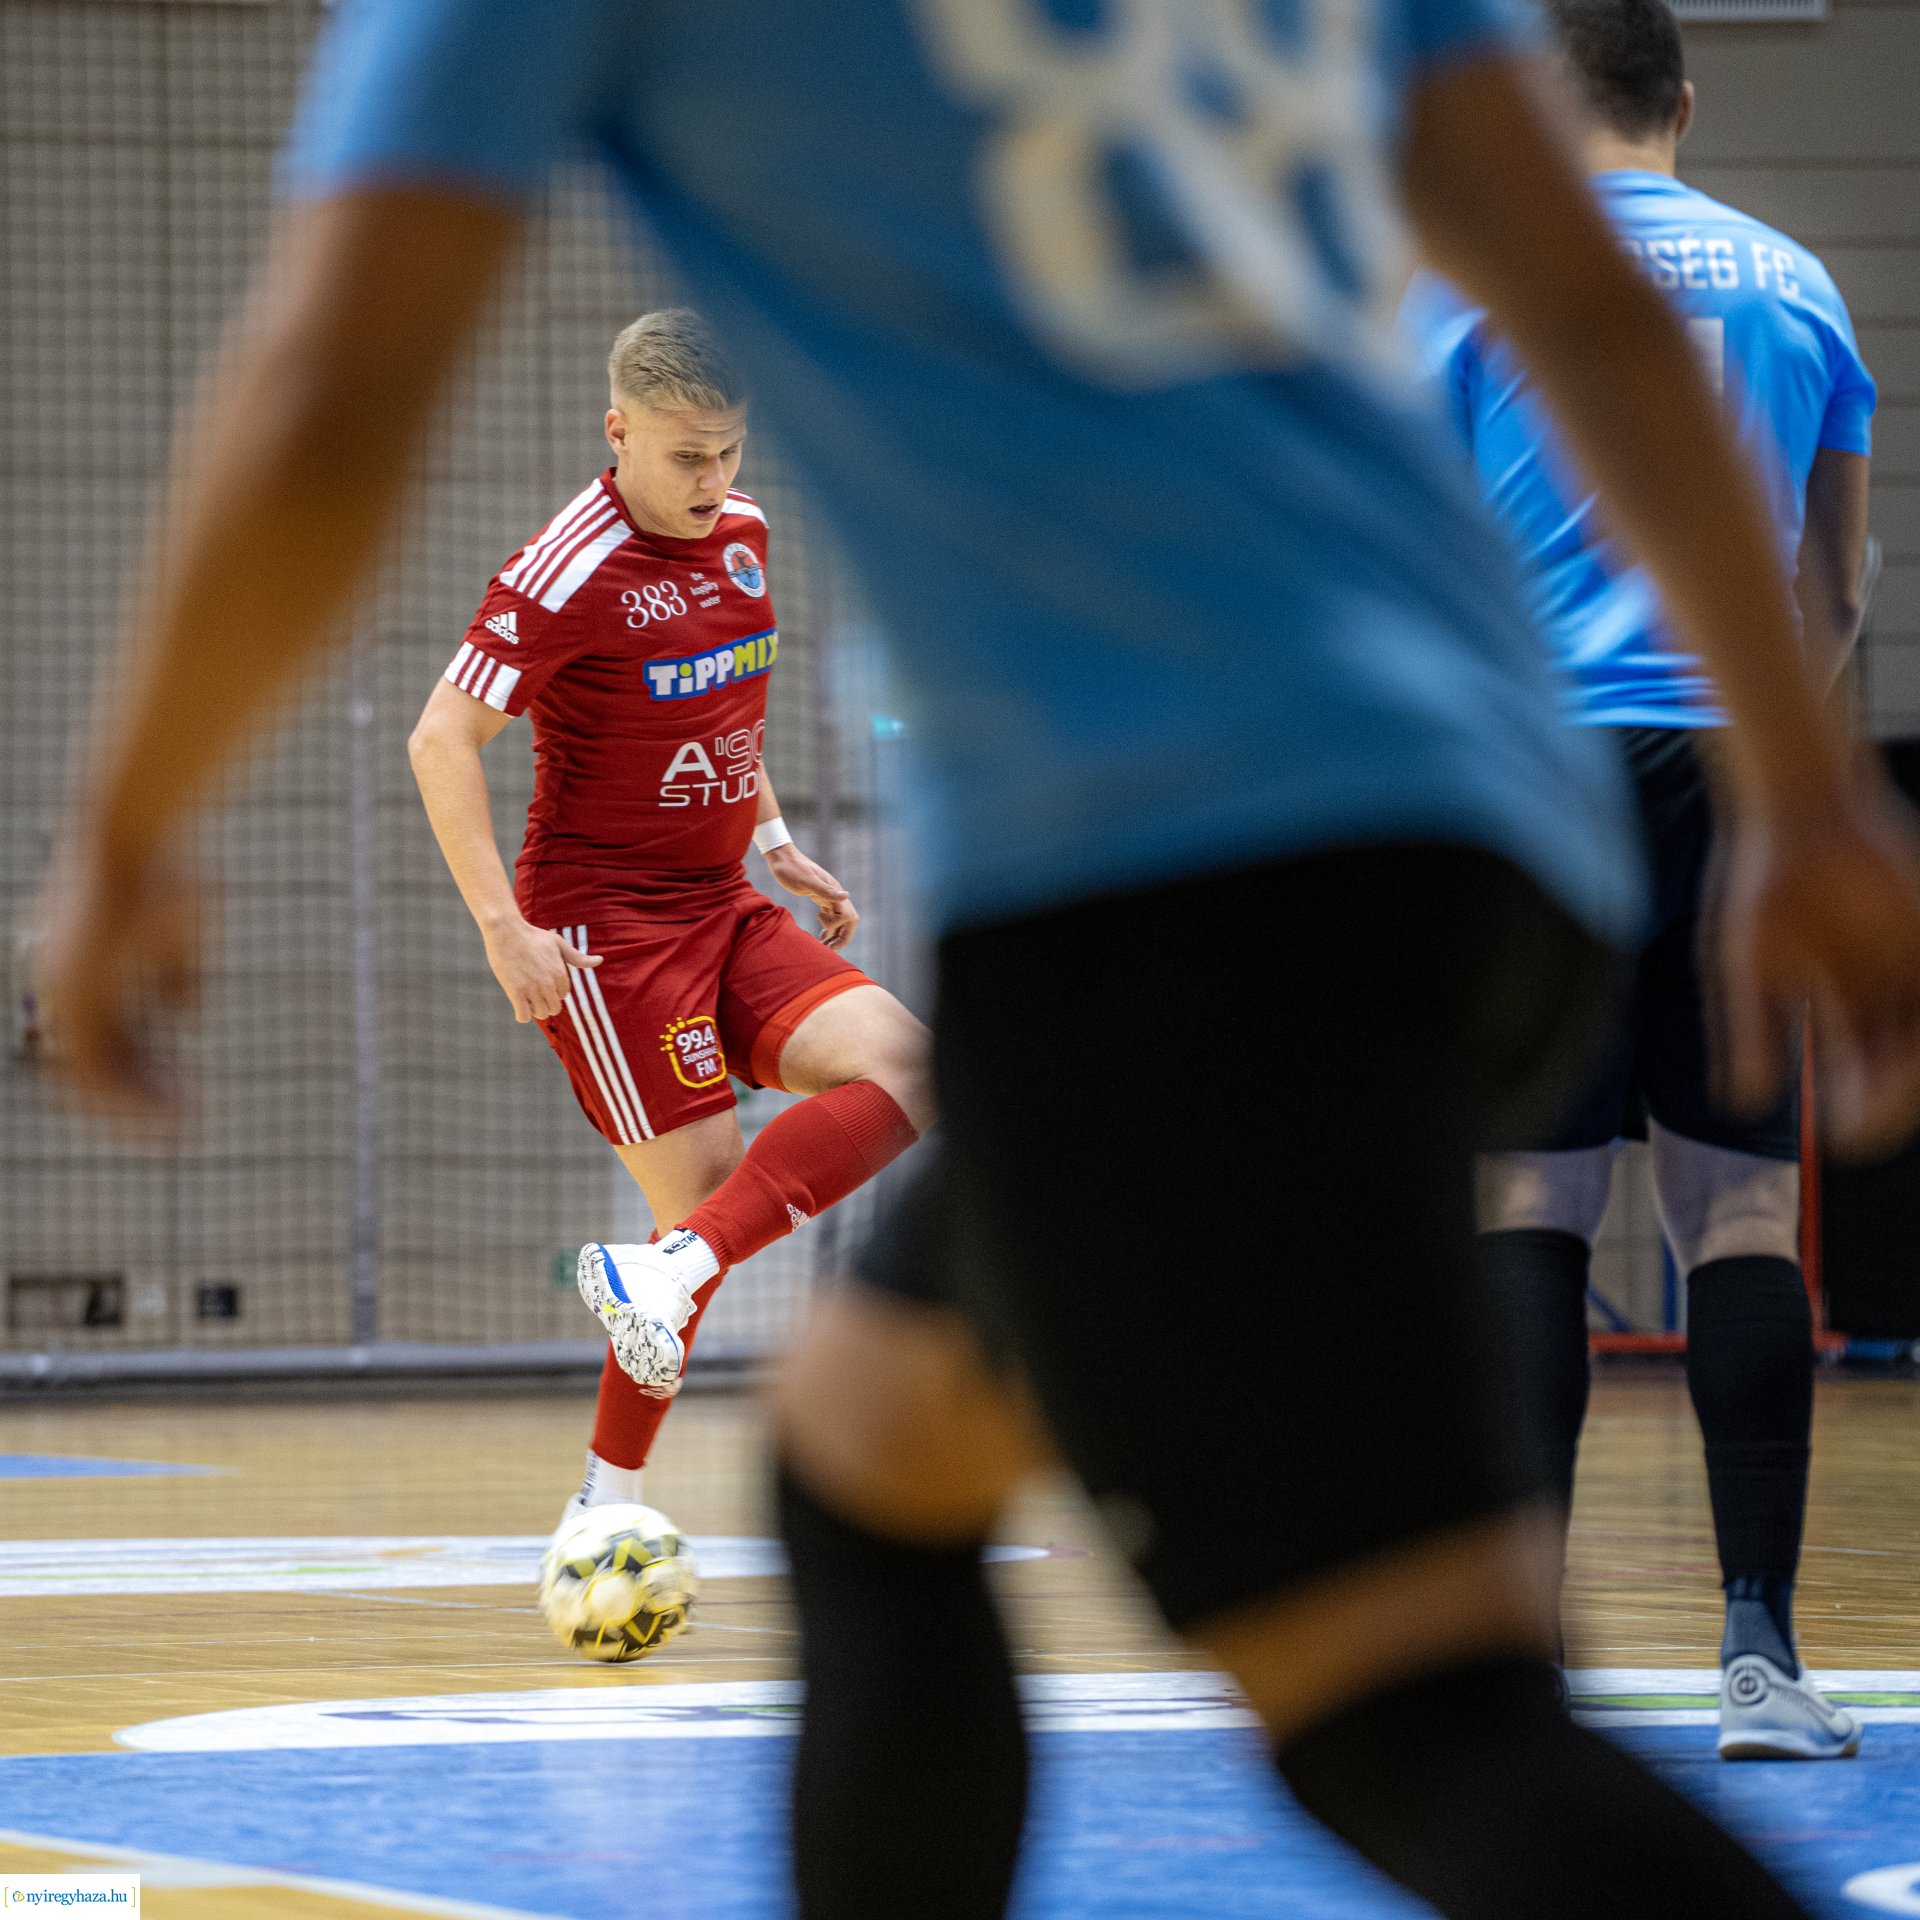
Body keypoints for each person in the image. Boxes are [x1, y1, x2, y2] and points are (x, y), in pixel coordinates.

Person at [33, 2, 1920, 1916]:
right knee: (870, 1462)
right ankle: (677, 1283)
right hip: (1509, 827)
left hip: (1191, 852)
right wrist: (1804, 785)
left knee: (1408, 1718)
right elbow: (1592, 311)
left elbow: (334, 386)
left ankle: (677, 1272)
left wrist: (123, 834)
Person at [1402, 0, 1875, 1761]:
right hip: (1738, 778)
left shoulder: (1470, 284)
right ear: (1685, 97)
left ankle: (1525, 1664)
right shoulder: (1800, 285)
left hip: (1537, 777)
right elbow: (1832, 593)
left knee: (1526, 1198)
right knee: (1738, 1215)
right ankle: (1760, 1657)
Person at [408, 307, 928, 1509]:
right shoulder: (563, 571)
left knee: (909, 1067)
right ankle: (608, 1507)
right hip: (602, 926)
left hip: (721, 896)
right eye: (687, 455)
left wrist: (777, 838)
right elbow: (443, 741)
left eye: (731, 450)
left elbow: (719, 710)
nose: (715, 480)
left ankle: (668, 1281)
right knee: (701, 1194)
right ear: (619, 432)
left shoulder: (743, 531)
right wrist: (504, 930)